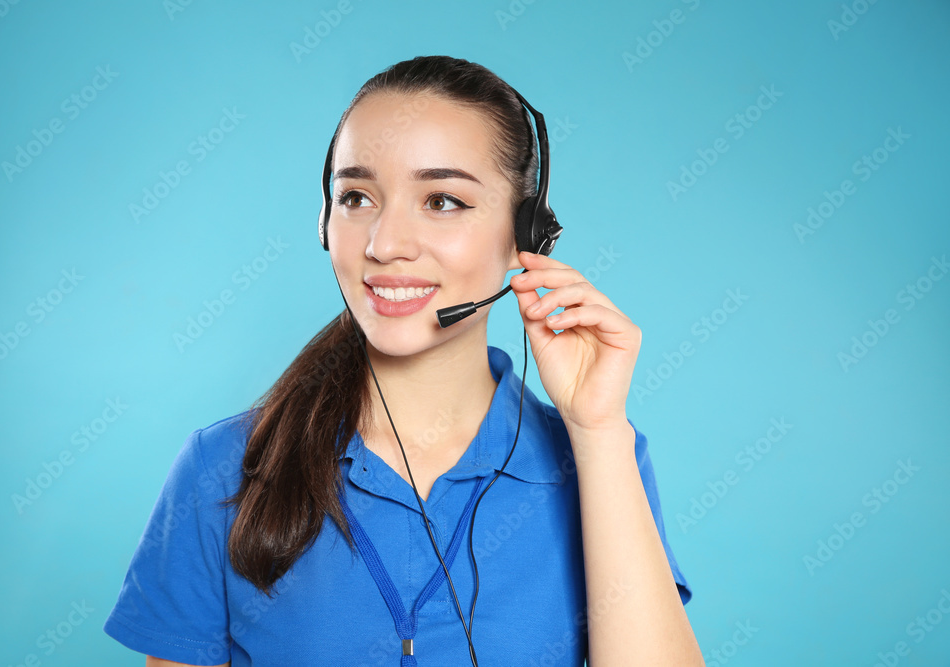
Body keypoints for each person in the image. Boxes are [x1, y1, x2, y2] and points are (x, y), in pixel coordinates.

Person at [103, 55, 703, 666]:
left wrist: (598, 430)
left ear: (525, 235)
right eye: (357, 197)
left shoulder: (599, 459)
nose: (384, 244)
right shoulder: (222, 468)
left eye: (442, 201)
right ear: (324, 220)